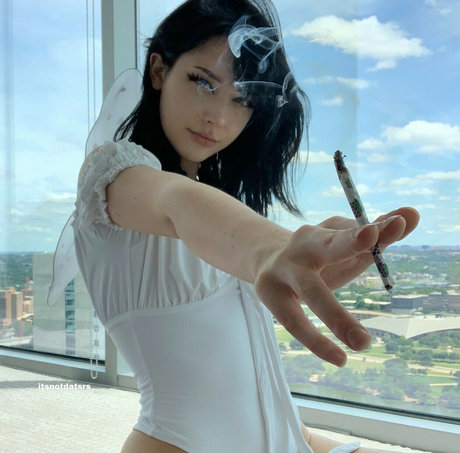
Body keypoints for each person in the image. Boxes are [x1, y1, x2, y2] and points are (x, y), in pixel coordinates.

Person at [71, 0, 420, 452]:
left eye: (242, 100)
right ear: (158, 70)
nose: (218, 117)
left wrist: (310, 258)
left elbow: (261, 400)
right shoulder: (115, 175)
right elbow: (174, 200)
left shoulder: (223, 209)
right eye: (203, 82)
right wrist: (275, 248)